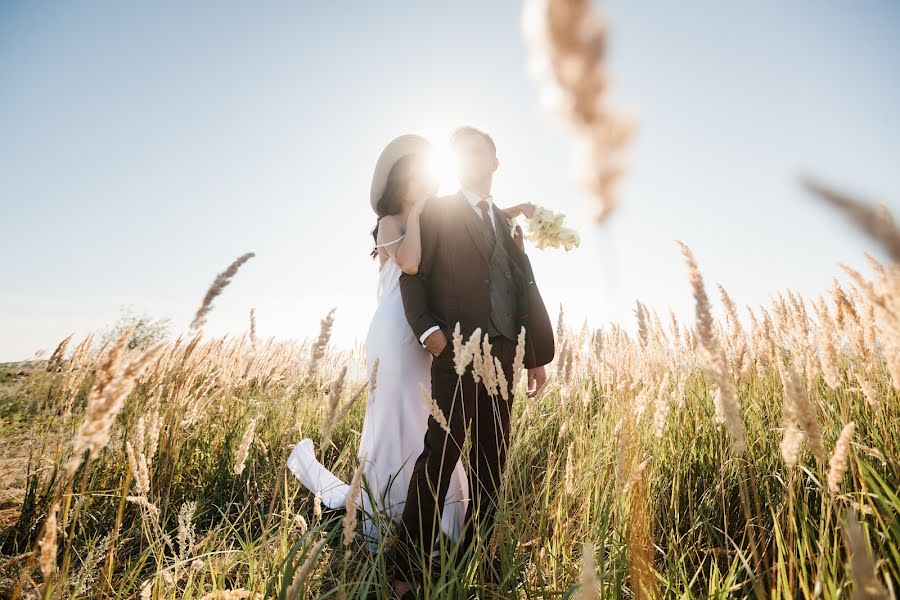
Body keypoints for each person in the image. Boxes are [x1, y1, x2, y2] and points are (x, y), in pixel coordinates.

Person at [286, 134, 537, 554]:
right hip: (395, 333)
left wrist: (515, 211)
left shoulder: (437, 216)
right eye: (417, 177)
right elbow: (413, 262)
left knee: (431, 419)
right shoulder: (391, 223)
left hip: (430, 328)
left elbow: (476, 220)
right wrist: (420, 212)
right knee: (397, 415)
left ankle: (441, 522)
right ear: (403, 183)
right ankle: (384, 518)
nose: (426, 183)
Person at [388, 126, 555, 597]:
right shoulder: (437, 212)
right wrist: (430, 333)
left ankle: (478, 558)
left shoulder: (505, 225)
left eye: (477, 152)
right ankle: (405, 568)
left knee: (491, 462)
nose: (467, 159)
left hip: (505, 353)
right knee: (441, 457)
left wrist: (534, 356)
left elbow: (520, 288)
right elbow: (412, 274)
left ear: (495, 163)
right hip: (457, 353)